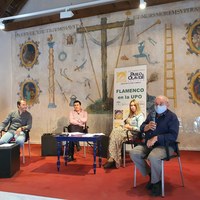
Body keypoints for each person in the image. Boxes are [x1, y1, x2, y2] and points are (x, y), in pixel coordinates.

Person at [129, 95, 179, 196]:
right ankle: (152, 175)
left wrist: (157, 138)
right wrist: (146, 127)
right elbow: (142, 126)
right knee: (134, 153)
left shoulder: (172, 117)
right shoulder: (151, 114)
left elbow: (173, 136)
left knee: (153, 156)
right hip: (148, 144)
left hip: (165, 145)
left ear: (167, 104)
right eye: (156, 104)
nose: (158, 106)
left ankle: (157, 183)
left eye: (161, 104)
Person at [103, 99, 145, 169]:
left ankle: (112, 159)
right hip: (126, 131)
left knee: (115, 134)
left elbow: (140, 129)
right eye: (131, 105)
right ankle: (113, 158)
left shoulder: (140, 116)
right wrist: (123, 126)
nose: (132, 107)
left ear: (137, 106)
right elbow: (125, 123)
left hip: (133, 134)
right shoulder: (130, 115)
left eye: (134, 105)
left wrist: (130, 127)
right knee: (115, 132)